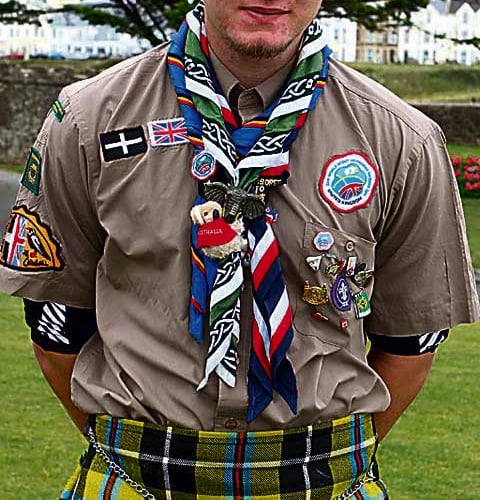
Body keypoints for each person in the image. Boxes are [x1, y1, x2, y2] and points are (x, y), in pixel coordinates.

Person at [0, 0, 478, 498]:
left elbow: (411, 343)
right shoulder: (89, 120)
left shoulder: (402, 141)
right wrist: (127, 453)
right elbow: (55, 324)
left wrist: (323, 465)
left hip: (324, 480)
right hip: (133, 475)